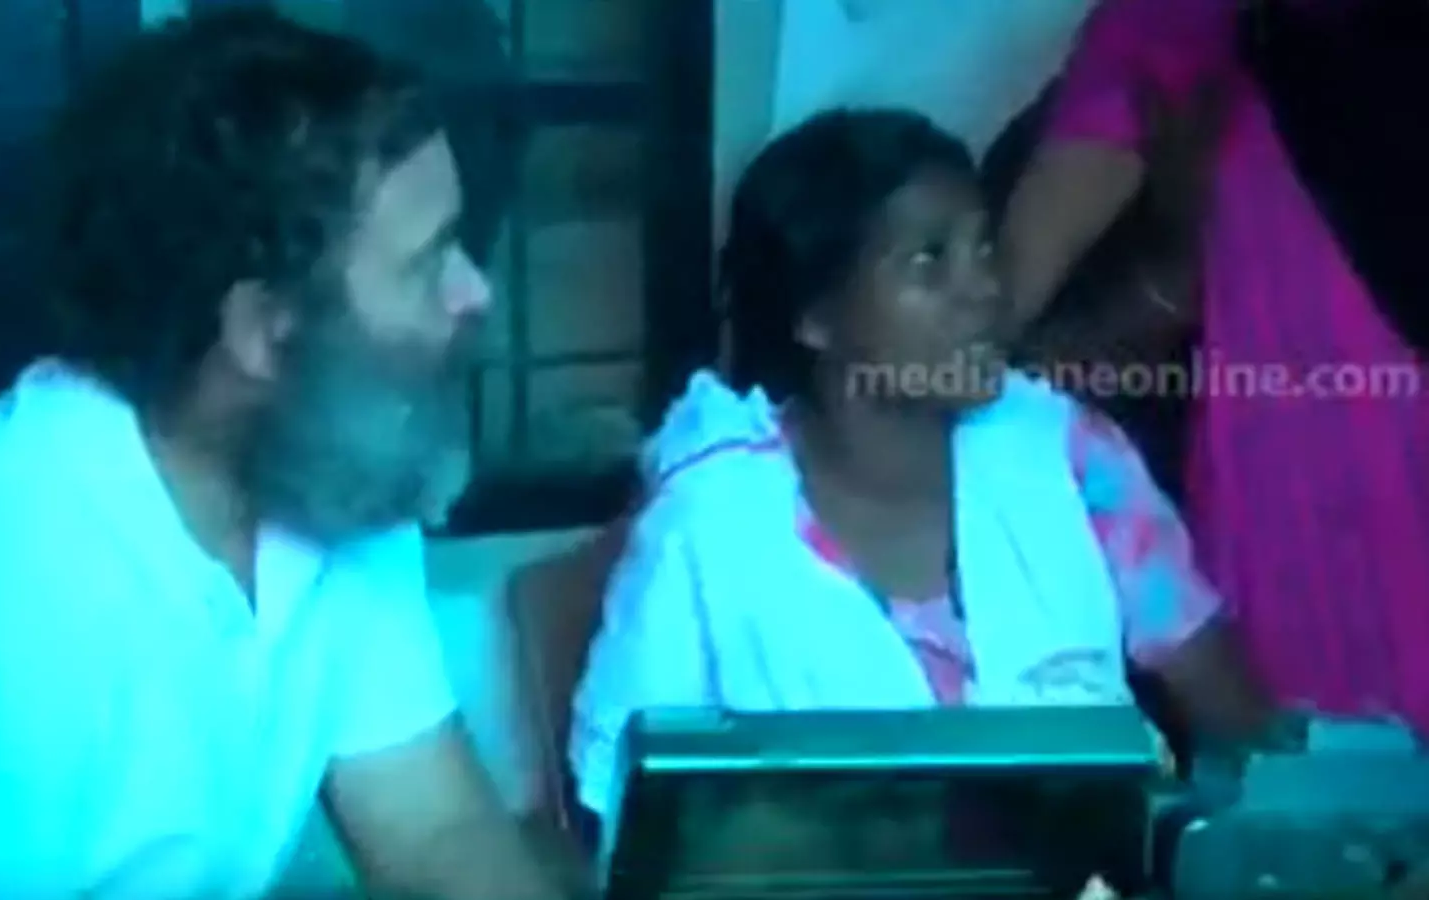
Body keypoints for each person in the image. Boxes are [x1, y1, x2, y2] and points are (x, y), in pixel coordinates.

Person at [0, 10, 573, 900]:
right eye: (429, 263)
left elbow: (436, 830)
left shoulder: (341, 481)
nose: (476, 292)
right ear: (263, 330)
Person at [569, 109, 1287, 838]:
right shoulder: (711, 519)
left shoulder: (1067, 453)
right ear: (815, 318)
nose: (984, 291)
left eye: (983, 250)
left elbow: (1217, 686)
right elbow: (618, 813)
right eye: (930, 260)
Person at [999, 0, 1429, 736]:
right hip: (1291, 500)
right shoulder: (1174, 32)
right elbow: (983, 334)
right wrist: (1175, 258)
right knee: (1311, 774)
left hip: (1324, 478)